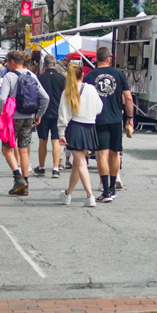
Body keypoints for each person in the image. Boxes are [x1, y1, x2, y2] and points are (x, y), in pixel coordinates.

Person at [0, 51, 50, 197]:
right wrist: (39, 115)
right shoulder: (32, 75)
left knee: (6, 148)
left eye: (7, 61)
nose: (6, 64)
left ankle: (18, 178)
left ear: (13, 62)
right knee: (24, 149)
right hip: (28, 116)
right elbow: (45, 98)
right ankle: (25, 183)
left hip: (12, 118)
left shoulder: (9, 76)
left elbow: (2, 99)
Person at [84, 46, 133, 202]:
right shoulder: (119, 75)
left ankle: (105, 191)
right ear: (108, 58)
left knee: (102, 155)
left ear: (97, 59)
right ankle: (112, 188)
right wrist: (130, 118)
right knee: (115, 153)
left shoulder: (90, 76)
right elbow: (129, 98)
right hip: (115, 118)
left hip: (98, 119)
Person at [57, 63, 102, 207]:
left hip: (75, 127)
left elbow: (63, 115)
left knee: (80, 162)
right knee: (78, 162)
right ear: (82, 75)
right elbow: (99, 108)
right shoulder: (91, 89)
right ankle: (68, 193)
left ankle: (90, 196)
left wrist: (61, 133)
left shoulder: (68, 92)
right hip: (89, 127)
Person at [35, 54, 67, 178]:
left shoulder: (40, 78)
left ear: (44, 65)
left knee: (42, 140)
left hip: (43, 113)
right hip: (58, 113)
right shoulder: (62, 79)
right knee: (56, 141)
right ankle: (55, 168)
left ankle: (42, 167)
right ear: (55, 64)